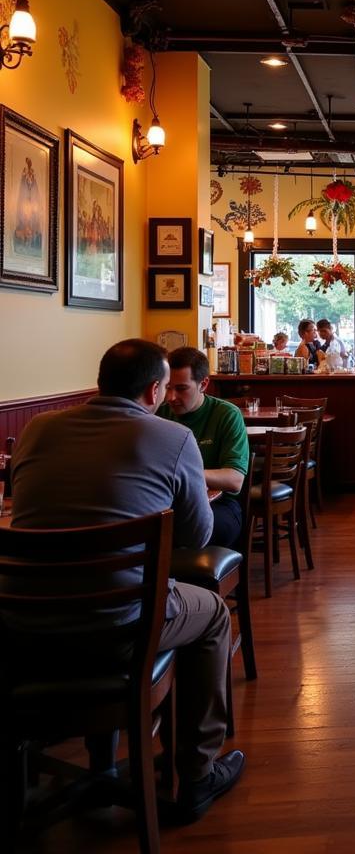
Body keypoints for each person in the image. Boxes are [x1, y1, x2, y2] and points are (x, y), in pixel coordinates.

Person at [9, 339, 244, 822]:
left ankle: (99, 761)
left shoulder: (36, 428)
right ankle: (197, 774)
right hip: (120, 626)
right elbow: (197, 535)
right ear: (155, 390)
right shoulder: (169, 437)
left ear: (100, 382)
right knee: (214, 613)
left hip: (23, 624)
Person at [158, 346, 250, 548]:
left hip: (220, 503)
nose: (171, 397)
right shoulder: (159, 413)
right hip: (167, 502)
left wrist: (185, 474)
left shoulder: (227, 415)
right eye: (167, 387)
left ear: (203, 384)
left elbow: (235, 480)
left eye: (181, 388)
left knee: (179, 531)